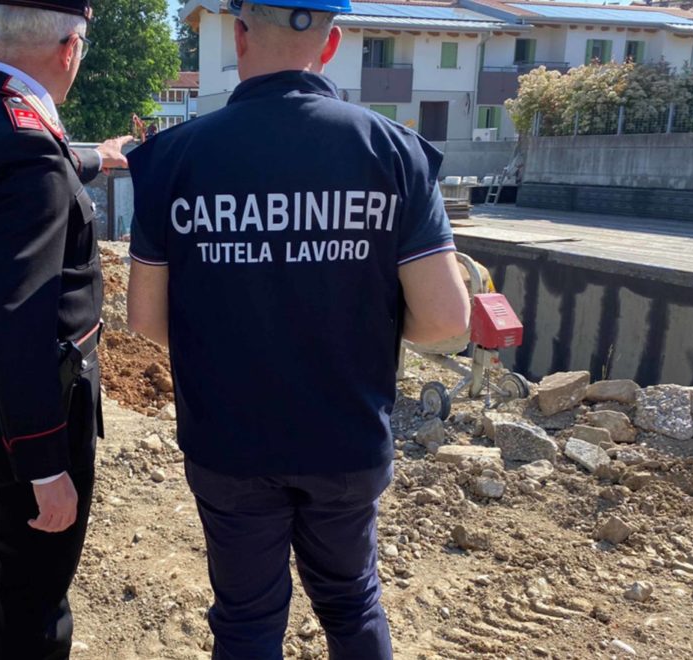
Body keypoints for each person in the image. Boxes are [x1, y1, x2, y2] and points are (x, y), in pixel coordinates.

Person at [125, 0, 471, 657]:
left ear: (240, 35)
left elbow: (145, 318)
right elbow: (446, 319)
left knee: (246, 622)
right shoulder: (392, 152)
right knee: (352, 603)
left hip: (229, 443)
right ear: (331, 45)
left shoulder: (173, 158)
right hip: (346, 440)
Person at [0, 1, 131, 656]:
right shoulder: (29, 151)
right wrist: (46, 466)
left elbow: (36, 169)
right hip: (35, 409)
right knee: (37, 602)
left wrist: (98, 157)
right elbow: (20, 315)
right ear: (70, 48)